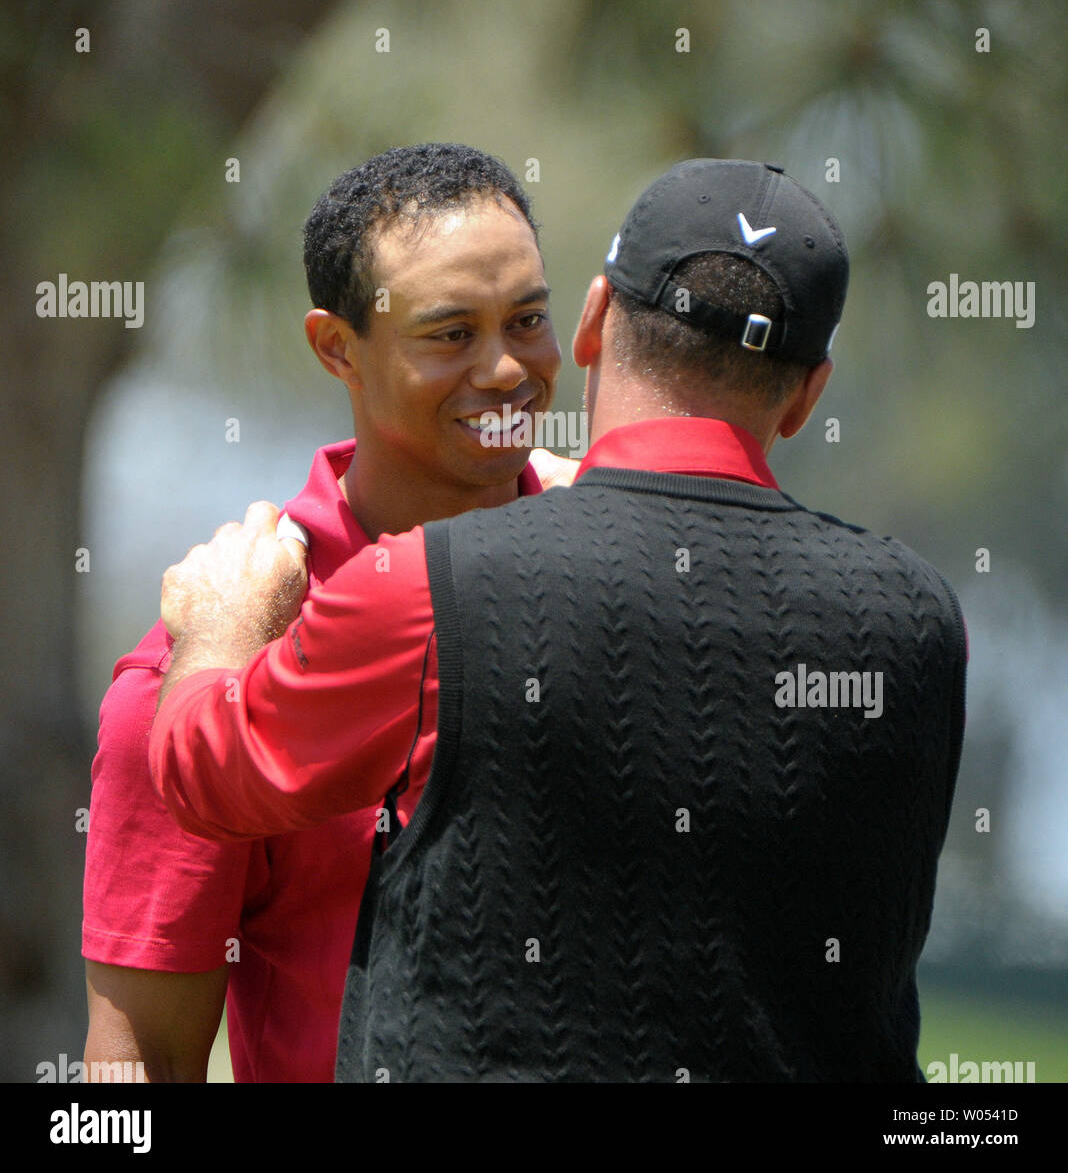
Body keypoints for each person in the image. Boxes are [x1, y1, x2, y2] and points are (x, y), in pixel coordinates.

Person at [150, 158, 967, 1083]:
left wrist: (219, 631)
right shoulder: (919, 621)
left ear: (590, 323)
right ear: (809, 393)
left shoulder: (434, 582)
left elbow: (204, 773)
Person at [82, 142, 575, 1082]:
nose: (509, 370)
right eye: (450, 334)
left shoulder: (623, 589)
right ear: (337, 347)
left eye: (527, 320)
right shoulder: (195, 687)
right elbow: (131, 1072)